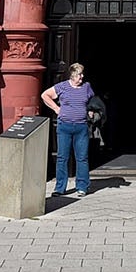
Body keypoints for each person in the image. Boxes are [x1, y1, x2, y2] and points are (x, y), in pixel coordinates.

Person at [40, 62, 94, 197]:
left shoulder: (86, 87)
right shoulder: (62, 87)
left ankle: (82, 186)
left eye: (82, 74)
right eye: (79, 75)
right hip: (65, 126)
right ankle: (60, 188)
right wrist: (56, 109)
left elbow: (92, 101)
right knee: (62, 157)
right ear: (72, 75)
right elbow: (45, 95)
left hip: (81, 127)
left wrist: (90, 110)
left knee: (82, 157)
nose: (81, 77)